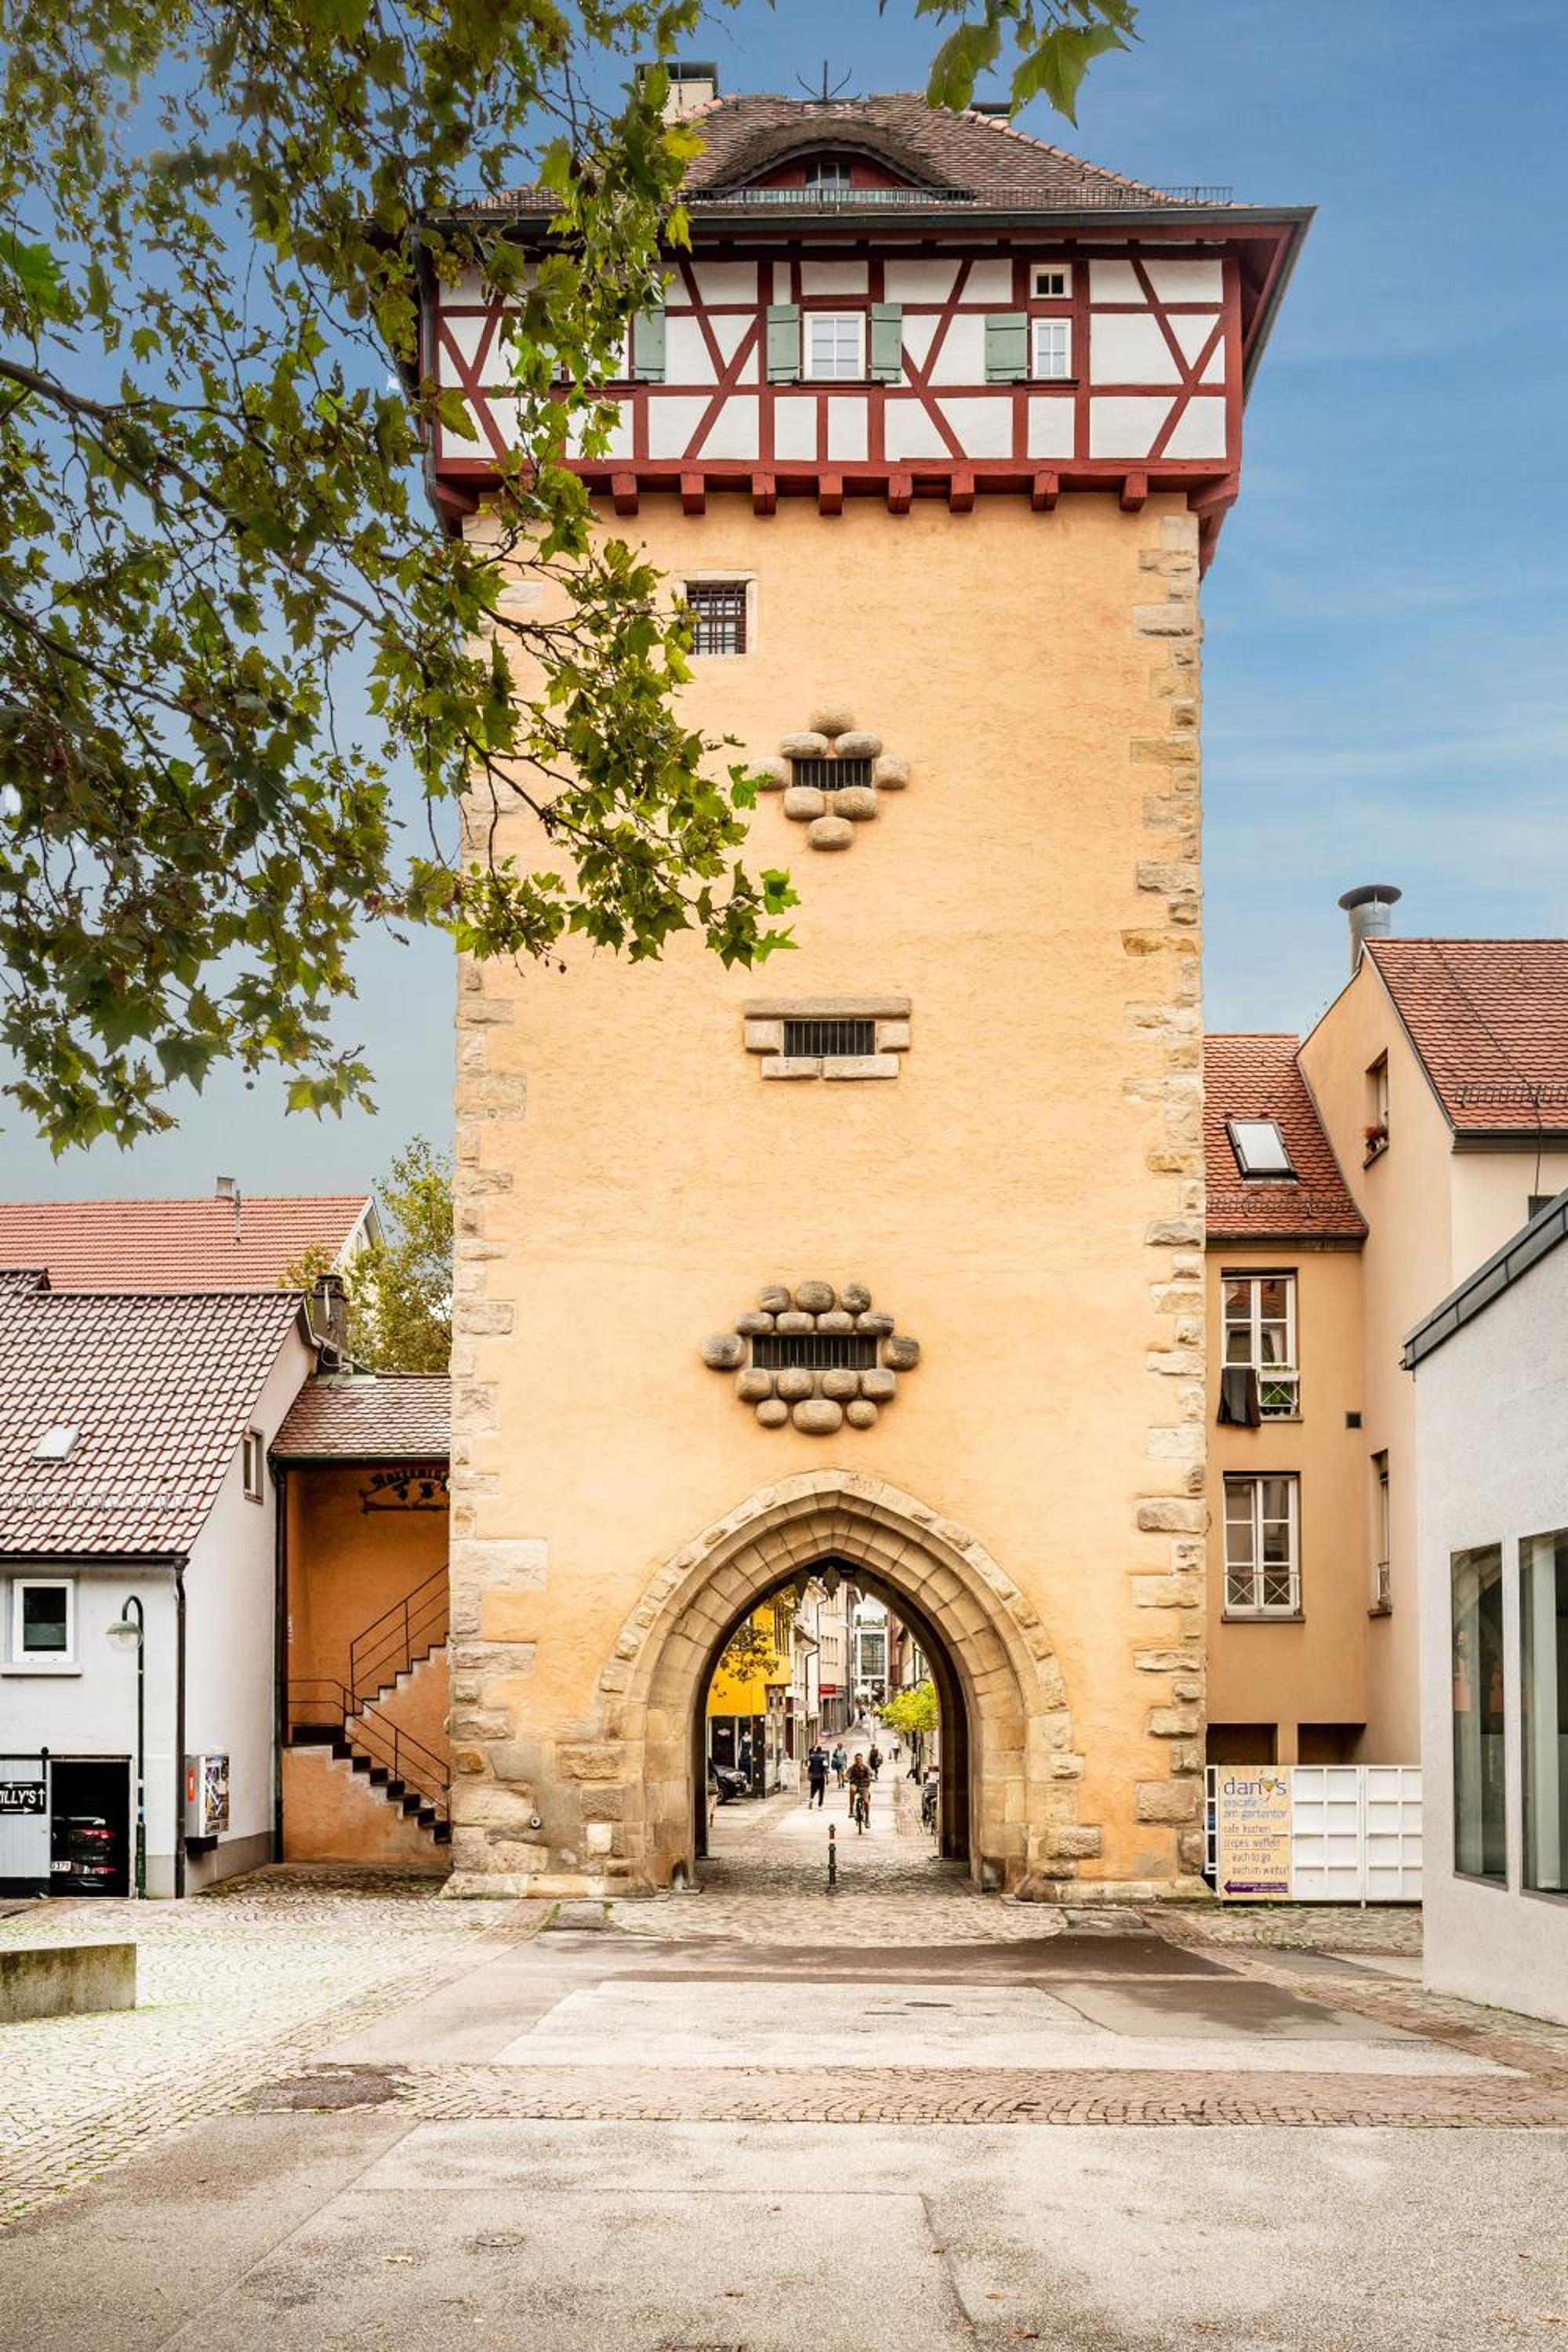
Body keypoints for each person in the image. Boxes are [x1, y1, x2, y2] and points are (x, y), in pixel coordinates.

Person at [846, 1751, 872, 1831]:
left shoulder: (865, 1767)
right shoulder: (852, 1768)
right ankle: (851, 1809)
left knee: (866, 1802)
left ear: (862, 1760)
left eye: (859, 1759)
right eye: (856, 1759)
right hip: (855, 1784)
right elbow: (847, 1775)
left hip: (864, 1786)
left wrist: (872, 1776)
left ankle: (867, 1819)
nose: (858, 1760)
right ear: (855, 1760)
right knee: (852, 1790)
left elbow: (871, 1773)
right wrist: (846, 1778)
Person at [806, 1740, 828, 1809]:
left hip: (813, 1777)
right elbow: (825, 1768)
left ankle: (811, 1799)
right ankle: (820, 1805)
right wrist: (827, 1778)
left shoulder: (811, 1758)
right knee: (821, 1791)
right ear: (820, 1751)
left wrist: (808, 1775)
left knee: (813, 1790)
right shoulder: (823, 1758)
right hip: (821, 1777)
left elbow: (809, 1767)